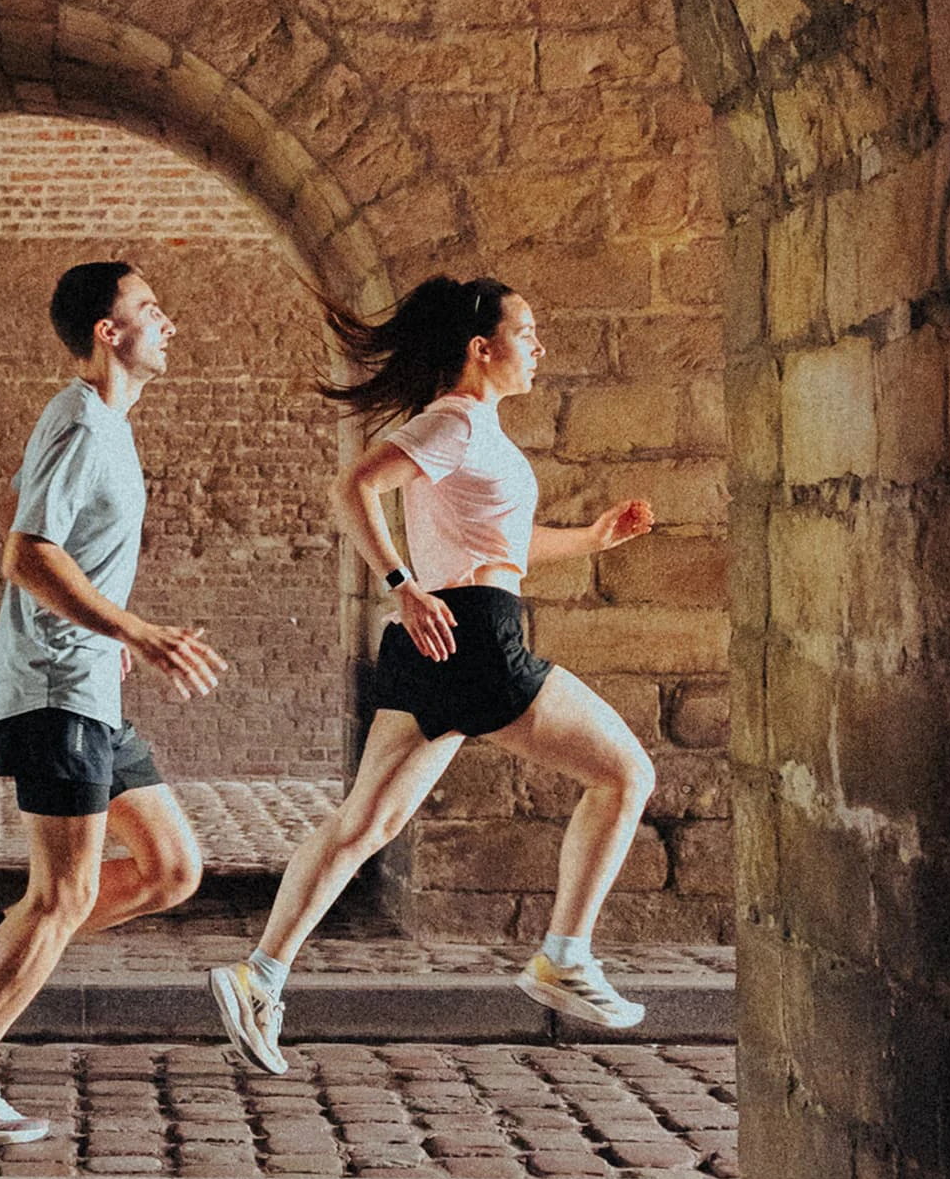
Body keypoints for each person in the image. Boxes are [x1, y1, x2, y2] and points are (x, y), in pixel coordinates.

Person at [207, 276, 657, 1075]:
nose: (539, 345)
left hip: (434, 644)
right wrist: (398, 583)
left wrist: (590, 540)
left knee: (365, 825)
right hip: (475, 638)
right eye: (528, 330)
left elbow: (500, 546)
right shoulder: (455, 421)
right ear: (482, 348)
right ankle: (564, 954)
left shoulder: (474, 430)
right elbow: (354, 487)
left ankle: (259, 975)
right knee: (625, 773)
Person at [0, 262, 229, 1146]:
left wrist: (112, 640)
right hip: (54, 688)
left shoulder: (109, 426)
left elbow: (66, 555)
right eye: (149, 309)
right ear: (106, 331)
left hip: (87, 687)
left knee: (169, 868)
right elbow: (28, 555)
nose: (168, 322)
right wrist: (139, 633)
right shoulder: (82, 419)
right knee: (64, 894)